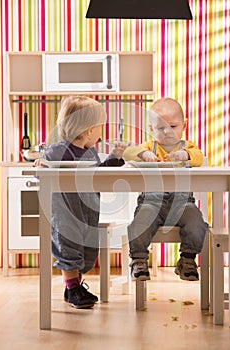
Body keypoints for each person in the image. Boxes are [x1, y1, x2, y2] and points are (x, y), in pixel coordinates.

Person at [35, 96, 127, 309]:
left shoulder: (90, 152)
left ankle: (75, 286)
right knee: (69, 249)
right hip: (66, 213)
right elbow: (43, 169)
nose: (101, 133)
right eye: (99, 128)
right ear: (88, 131)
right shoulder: (59, 151)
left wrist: (114, 158)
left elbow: (97, 175)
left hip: (88, 212)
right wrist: (42, 164)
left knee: (86, 249)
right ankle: (72, 288)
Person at [123, 97, 208, 282]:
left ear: (184, 126)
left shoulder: (188, 147)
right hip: (151, 202)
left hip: (182, 203)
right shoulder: (149, 147)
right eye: (161, 128)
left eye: (173, 126)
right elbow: (128, 153)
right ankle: (138, 260)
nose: (167, 131)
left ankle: (187, 259)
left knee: (197, 223)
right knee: (139, 223)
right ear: (151, 128)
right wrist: (143, 154)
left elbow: (199, 157)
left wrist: (184, 155)